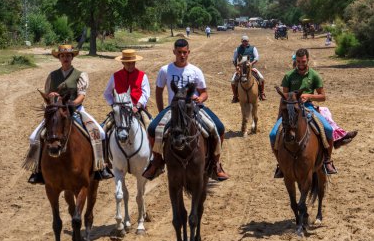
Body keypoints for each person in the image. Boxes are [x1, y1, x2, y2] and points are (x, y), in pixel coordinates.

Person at [24, 44, 113, 184]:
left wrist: (71, 104)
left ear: (72, 57)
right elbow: (47, 95)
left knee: (100, 133)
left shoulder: (80, 74)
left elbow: (81, 96)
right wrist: (50, 96)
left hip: (75, 110)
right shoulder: (52, 76)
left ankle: (100, 168)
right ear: (59, 58)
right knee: (35, 136)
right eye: (63, 56)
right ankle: (37, 171)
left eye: (68, 56)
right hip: (55, 112)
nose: (65, 58)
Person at [142, 38, 229, 181]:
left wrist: (200, 99)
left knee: (219, 128)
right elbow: (158, 92)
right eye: (179, 52)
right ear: (174, 52)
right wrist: (162, 110)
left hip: (195, 107)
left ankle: (215, 164)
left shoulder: (195, 71)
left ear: (188, 52)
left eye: (184, 52)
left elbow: (204, 92)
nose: (182, 55)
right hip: (174, 108)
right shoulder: (165, 70)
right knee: (152, 129)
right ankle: (156, 161)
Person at [269, 48, 357, 178]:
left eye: (303, 61)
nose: (300, 64)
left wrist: (309, 96)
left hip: (308, 108)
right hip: (291, 109)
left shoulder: (314, 75)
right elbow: (284, 96)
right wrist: (286, 107)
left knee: (327, 129)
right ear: (295, 61)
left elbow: (323, 96)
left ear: (307, 59)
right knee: (272, 135)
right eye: (298, 61)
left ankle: (327, 160)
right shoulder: (289, 76)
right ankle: (281, 165)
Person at [103, 49, 151, 127]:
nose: (131, 66)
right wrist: (113, 105)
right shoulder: (115, 76)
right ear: (123, 62)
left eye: (133, 63)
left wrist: (138, 106)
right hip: (119, 110)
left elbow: (145, 94)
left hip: (138, 109)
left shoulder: (142, 76)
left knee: (149, 126)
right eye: (128, 63)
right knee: (105, 127)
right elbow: (107, 93)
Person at [230, 35, 266, 103]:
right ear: (241, 41)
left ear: (248, 41)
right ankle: (235, 96)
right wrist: (236, 66)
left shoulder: (253, 48)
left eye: (246, 41)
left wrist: (251, 64)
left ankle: (262, 93)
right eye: (243, 41)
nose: (245, 42)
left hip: (251, 67)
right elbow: (234, 59)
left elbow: (256, 57)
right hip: (241, 68)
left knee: (261, 78)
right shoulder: (237, 49)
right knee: (232, 81)